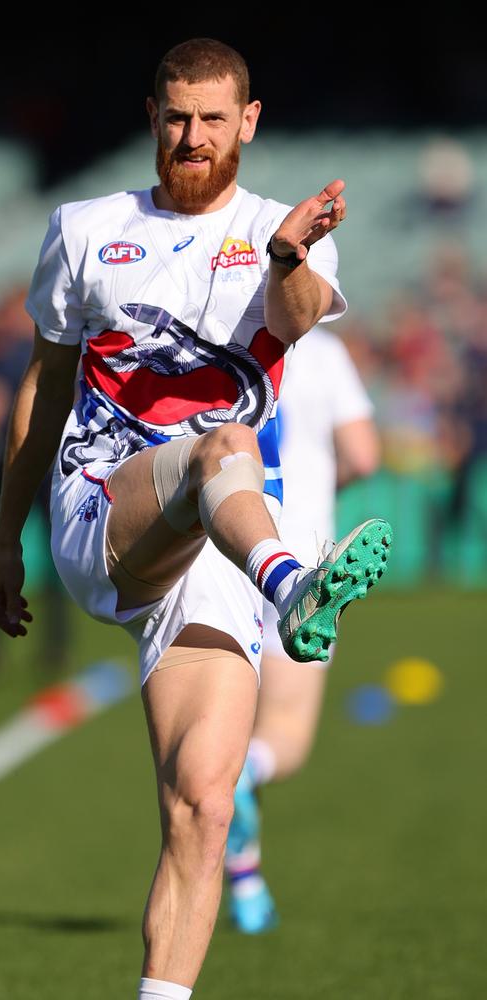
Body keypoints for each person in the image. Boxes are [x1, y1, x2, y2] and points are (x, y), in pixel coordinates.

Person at [0, 38, 392, 1000]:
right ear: (152, 116)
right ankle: (295, 587)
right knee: (223, 446)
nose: (192, 137)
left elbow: (293, 317)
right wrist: (7, 540)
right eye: (176, 117)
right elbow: (44, 384)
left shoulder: (286, 232)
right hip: (104, 510)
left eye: (213, 119)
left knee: (204, 806)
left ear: (247, 121)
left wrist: (290, 252)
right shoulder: (86, 228)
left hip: (216, 545)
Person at [224, 325, 381, 934]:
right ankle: (252, 775)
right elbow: (364, 455)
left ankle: (245, 882)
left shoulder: (208, 339)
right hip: (301, 562)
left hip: (223, 555)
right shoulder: (323, 352)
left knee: (218, 734)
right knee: (279, 732)